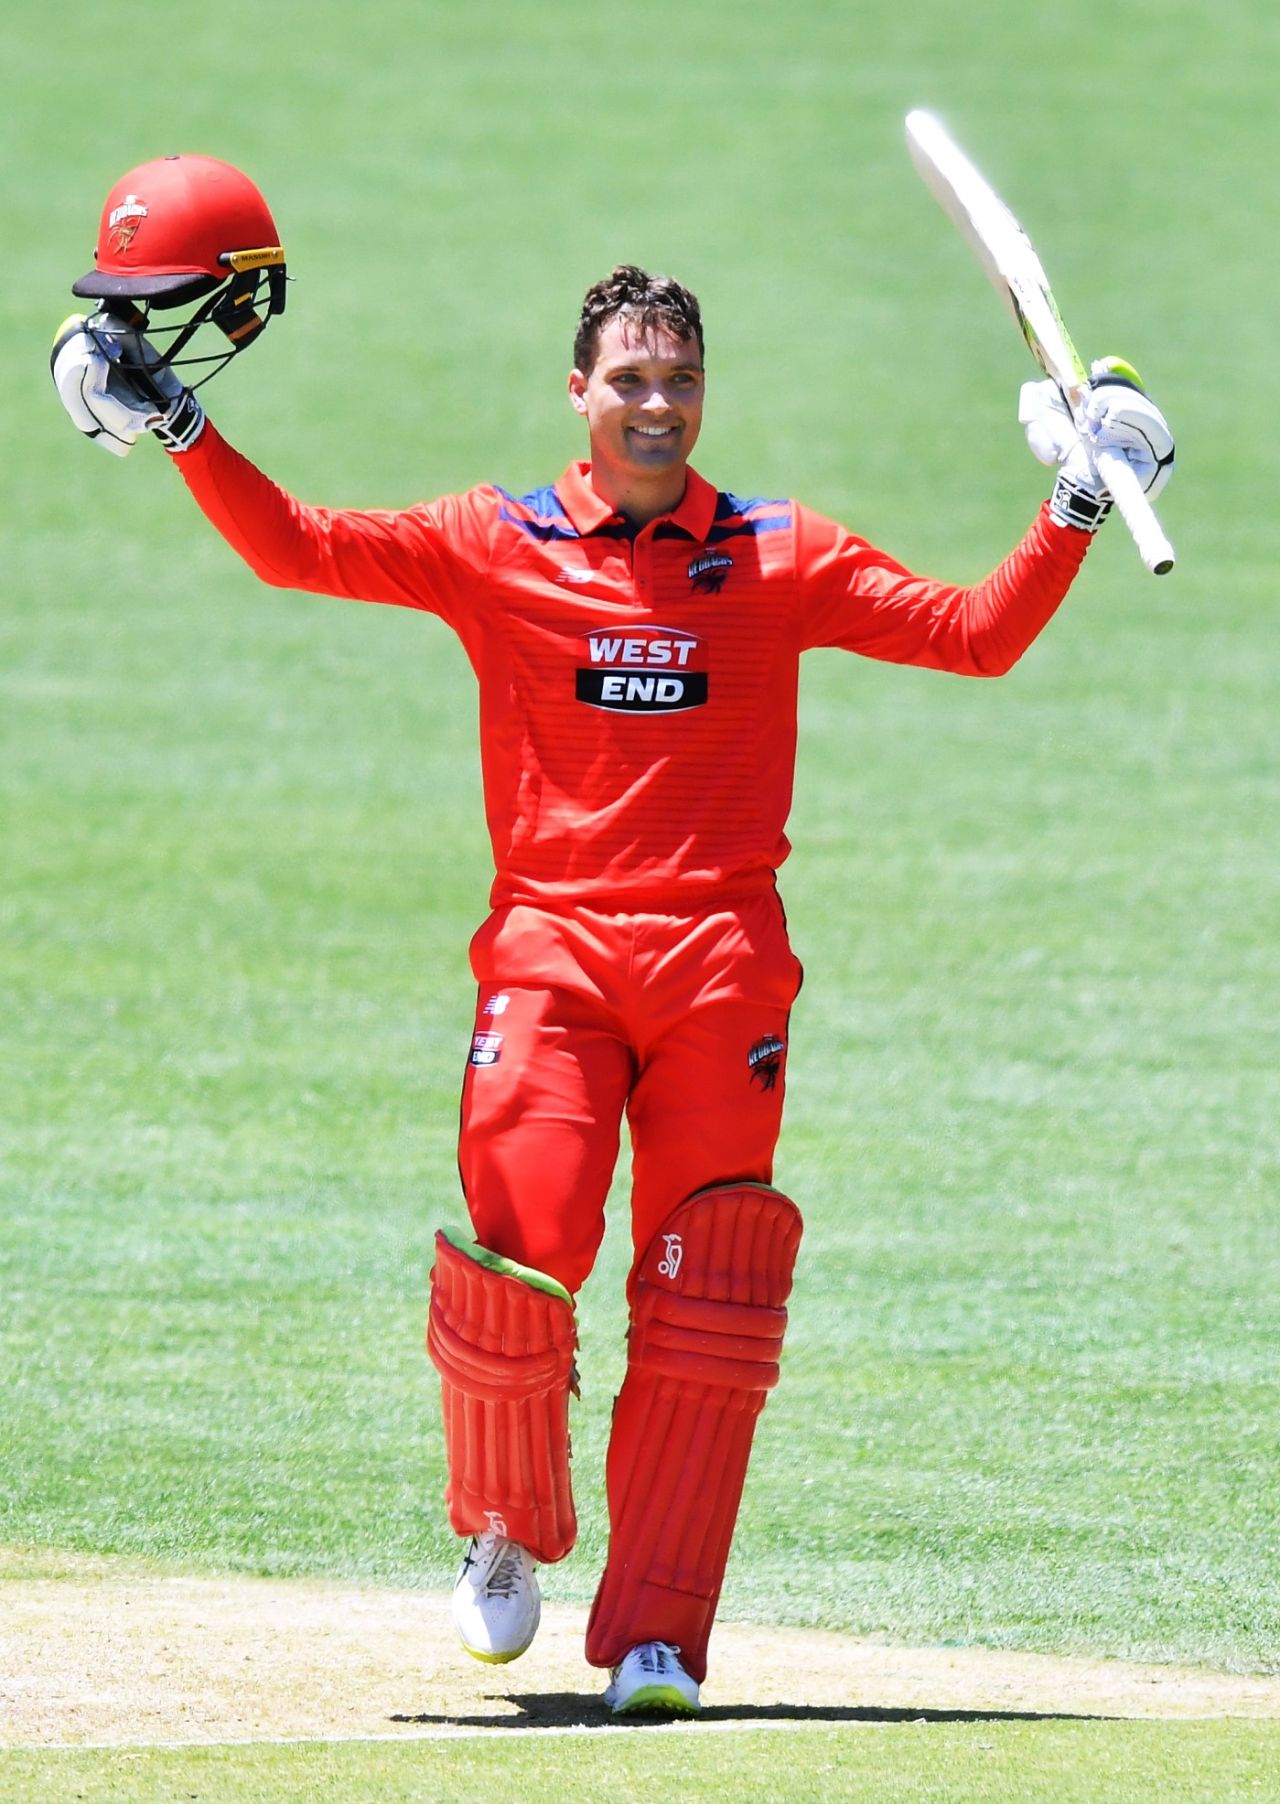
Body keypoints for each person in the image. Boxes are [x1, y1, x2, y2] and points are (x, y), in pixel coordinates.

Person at [52, 158, 1174, 1717]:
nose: (659, 405)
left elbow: (974, 639)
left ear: (704, 394)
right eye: (631, 380)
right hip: (554, 955)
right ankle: (505, 1531)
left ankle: (658, 1636)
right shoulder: (494, 541)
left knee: (709, 1303)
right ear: (578, 392)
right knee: (526, 1234)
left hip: (724, 971)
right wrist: (178, 423)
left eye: (682, 381)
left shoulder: (776, 554)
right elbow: (294, 545)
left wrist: (1071, 502)